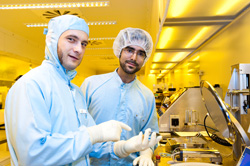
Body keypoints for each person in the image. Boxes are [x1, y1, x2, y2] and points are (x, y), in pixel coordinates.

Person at [4, 15, 161, 166]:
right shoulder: (31, 85)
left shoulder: (74, 92)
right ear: (53, 39)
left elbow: (89, 145)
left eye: (84, 43)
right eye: (71, 39)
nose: (78, 49)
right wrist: (93, 134)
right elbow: (33, 155)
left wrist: (122, 148)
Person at [81, 27, 159, 165]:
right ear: (119, 51)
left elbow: (150, 134)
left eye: (140, 53)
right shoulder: (91, 85)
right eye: (129, 50)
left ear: (145, 58)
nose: (134, 58)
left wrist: (146, 154)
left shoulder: (147, 96)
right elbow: (77, 127)